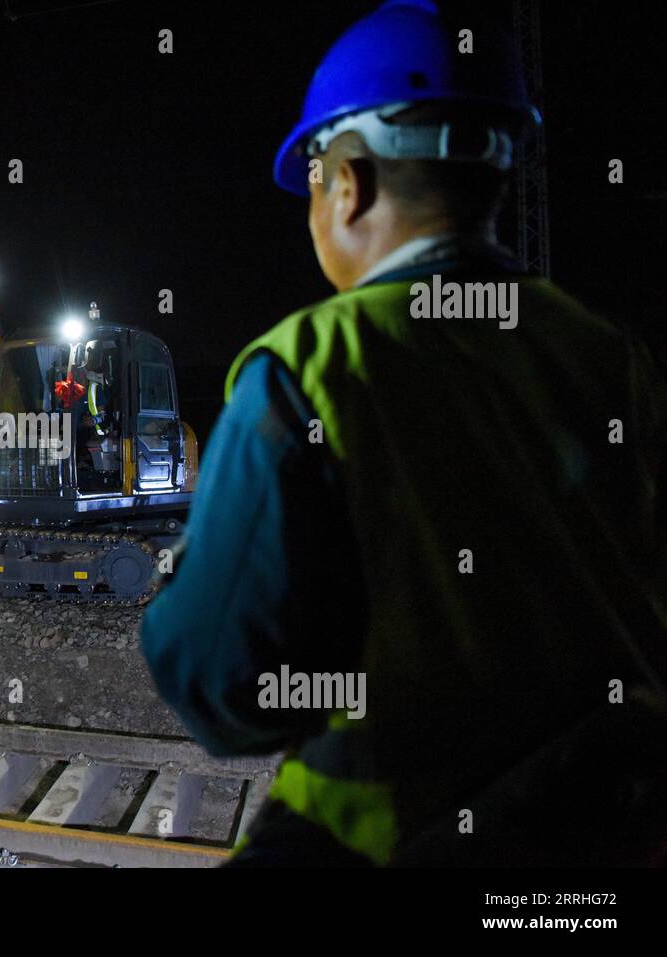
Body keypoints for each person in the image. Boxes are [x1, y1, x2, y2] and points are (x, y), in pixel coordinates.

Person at [140, 0, 667, 866]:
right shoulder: (616, 362)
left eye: (313, 177)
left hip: (384, 838)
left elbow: (221, 688)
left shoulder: (310, 367)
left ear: (349, 184)